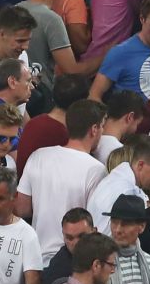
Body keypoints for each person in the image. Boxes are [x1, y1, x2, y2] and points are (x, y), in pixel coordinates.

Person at [18, 99, 108, 262]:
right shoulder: (96, 170)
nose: (102, 132)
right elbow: (96, 223)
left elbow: (22, 208)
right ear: (94, 129)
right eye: (102, 126)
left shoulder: (39, 156)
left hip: (34, 257)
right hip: (72, 261)